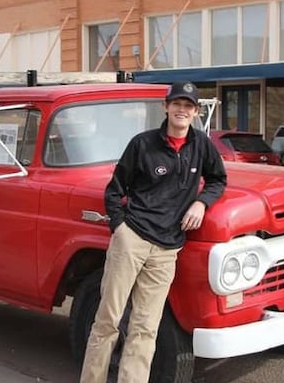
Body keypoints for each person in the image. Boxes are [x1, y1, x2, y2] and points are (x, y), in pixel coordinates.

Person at [79, 82, 227, 383]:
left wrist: (201, 203)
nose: (181, 110)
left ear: (196, 111)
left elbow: (218, 180)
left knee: (146, 327)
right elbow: (114, 191)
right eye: (177, 104)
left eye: (188, 106)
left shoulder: (202, 145)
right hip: (132, 239)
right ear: (166, 107)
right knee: (108, 319)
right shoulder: (142, 144)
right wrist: (120, 228)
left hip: (167, 249)